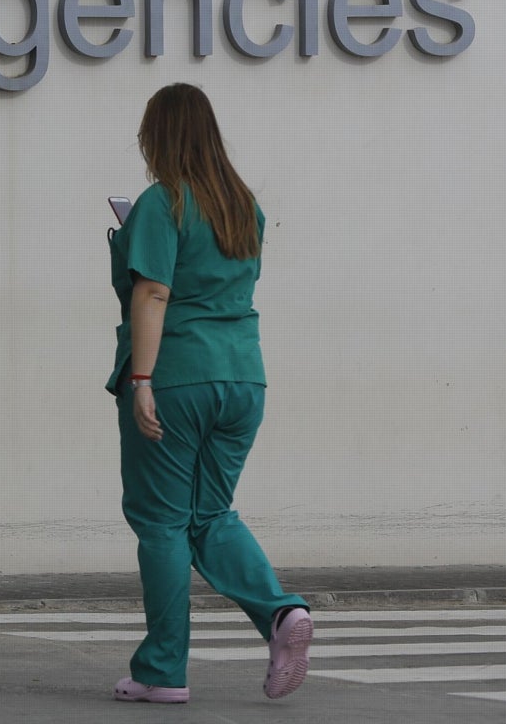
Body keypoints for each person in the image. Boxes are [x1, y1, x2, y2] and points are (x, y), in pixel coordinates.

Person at [105, 83, 312, 704]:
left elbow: (154, 293)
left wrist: (141, 380)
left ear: (160, 135)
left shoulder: (161, 203)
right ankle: (280, 614)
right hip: (243, 377)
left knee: (162, 521)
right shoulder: (244, 207)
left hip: (178, 375)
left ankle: (163, 670)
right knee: (210, 514)